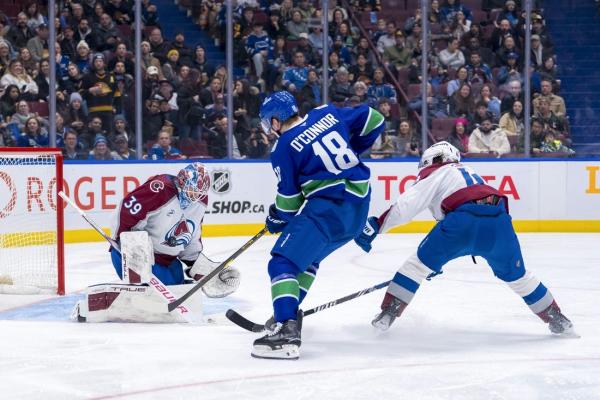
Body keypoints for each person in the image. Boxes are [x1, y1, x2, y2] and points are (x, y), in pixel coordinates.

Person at [354, 141, 575, 336]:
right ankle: (557, 318)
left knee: (415, 267)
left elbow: (406, 206)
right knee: (519, 276)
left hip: (462, 222)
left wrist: (376, 226)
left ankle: (387, 315)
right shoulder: (468, 171)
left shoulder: (438, 171)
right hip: (499, 222)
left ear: (433, 159)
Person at [251, 91, 384, 360]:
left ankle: (286, 330)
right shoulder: (325, 113)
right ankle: (286, 313)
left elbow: (289, 201)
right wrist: (353, 148)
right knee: (307, 260)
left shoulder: (283, 147)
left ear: (276, 121)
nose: (269, 130)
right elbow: (375, 118)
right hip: (358, 207)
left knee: (282, 263)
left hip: (328, 208)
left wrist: (277, 217)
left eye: (268, 123)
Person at [110, 163, 240, 293]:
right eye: (192, 191)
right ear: (181, 181)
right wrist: (128, 247)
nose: (194, 197)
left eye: (199, 193)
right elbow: (125, 213)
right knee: (156, 295)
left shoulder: (200, 202)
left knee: (177, 293)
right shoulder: (158, 189)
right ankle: (139, 286)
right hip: (134, 257)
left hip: (169, 262)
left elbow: (190, 238)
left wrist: (205, 270)